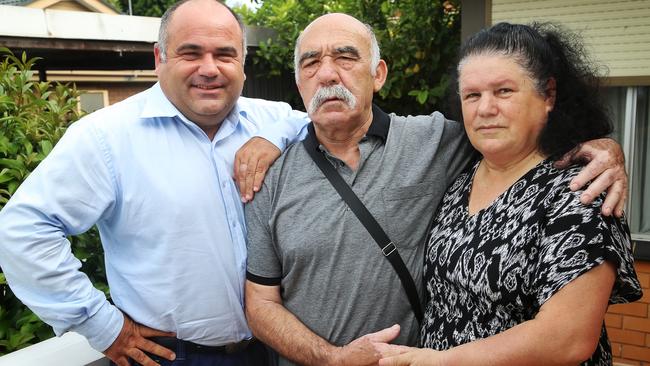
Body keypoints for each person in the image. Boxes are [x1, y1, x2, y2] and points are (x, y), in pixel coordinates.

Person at [244, 14, 630, 366]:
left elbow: (524, 139)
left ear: (378, 74)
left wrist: (604, 148)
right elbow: (260, 303)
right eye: (311, 62)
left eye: (346, 58)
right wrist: (332, 359)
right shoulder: (270, 175)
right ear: (298, 81)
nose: (327, 74)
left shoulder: (438, 143)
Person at [0, 0, 307, 365]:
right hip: (172, 356)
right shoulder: (106, 138)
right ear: (159, 58)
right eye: (190, 53)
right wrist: (102, 326)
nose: (209, 69)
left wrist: (276, 135)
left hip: (277, 347)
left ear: (242, 63)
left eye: (225, 54)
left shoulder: (271, 119)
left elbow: (320, 121)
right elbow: (21, 231)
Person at [375, 22, 642, 366]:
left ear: (548, 95)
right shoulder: (460, 172)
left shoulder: (579, 191)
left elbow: (567, 339)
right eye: (472, 95)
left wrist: (437, 362)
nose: (485, 109)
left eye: (503, 91)